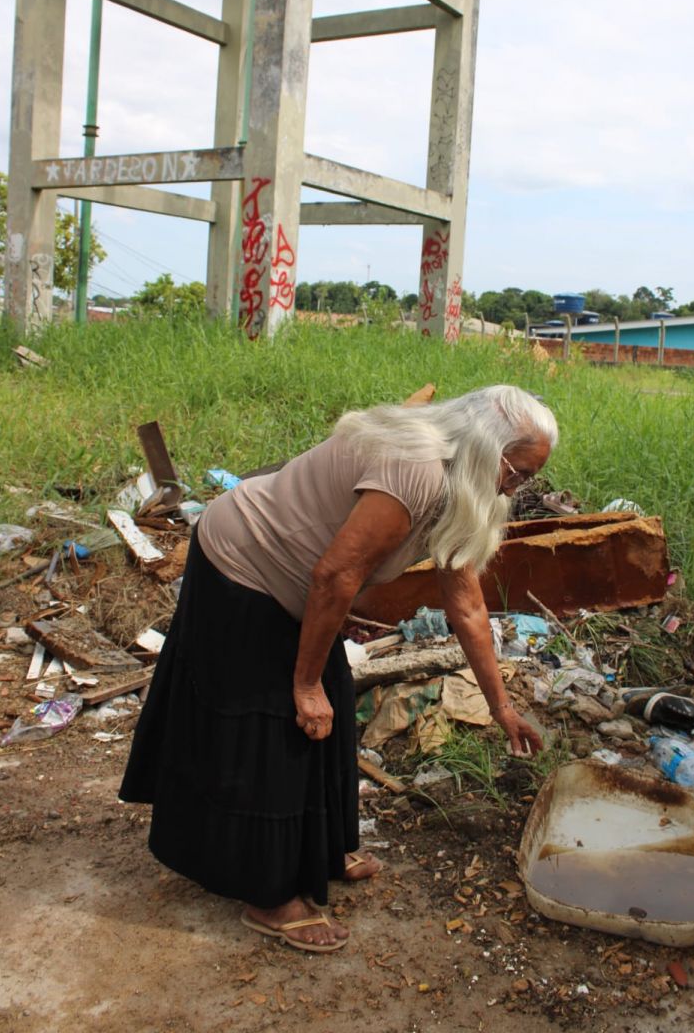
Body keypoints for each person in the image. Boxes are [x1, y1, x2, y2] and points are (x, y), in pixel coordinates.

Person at [120, 384, 558, 952]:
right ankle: (270, 896)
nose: (516, 486)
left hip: (302, 584)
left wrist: (501, 706)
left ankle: (319, 850)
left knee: (331, 715)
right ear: (488, 447)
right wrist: (302, 683)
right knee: (273, 723)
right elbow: (335, 575)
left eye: (527, 478)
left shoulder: (467, 481)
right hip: (244, 563)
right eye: (518, 472)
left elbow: (467, 602)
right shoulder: (417, 469)